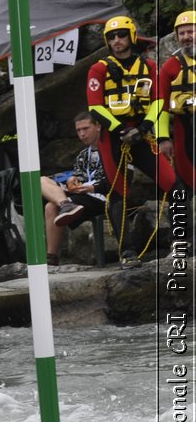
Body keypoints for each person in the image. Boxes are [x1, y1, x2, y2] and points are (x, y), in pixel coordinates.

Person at [87, 16, 178, 217]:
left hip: (142, 132)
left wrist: (143, 128)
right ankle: (126, 248)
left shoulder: (149, 66)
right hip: (112, 136)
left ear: (131, 37)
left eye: (121, 35)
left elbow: (159, 101)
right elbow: (95, 106)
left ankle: (180, 240)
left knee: (174, 185)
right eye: (111, 37)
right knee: (118, 192)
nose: (117, 40)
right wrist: (121, 129)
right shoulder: (99, 69)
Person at [38, 111, 110, 266]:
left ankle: (52, 256)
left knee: (51, 206)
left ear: (98, 126)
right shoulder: (83, 154)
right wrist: (72, 181)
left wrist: (91, 187)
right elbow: (79, 176)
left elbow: (116, 180)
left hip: (102, 196)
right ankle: (52, 257)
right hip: (82, 195)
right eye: (78, 130)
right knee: (41, 180)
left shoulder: (111, 150)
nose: (82, 134)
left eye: (85, 128)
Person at [158, 9, 196, 195]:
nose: (186, 37)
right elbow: (161, 106)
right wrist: (163, 138)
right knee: (188, 174)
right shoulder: (170, 66)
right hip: (185, 128)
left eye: (191, 31)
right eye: (182, 33)